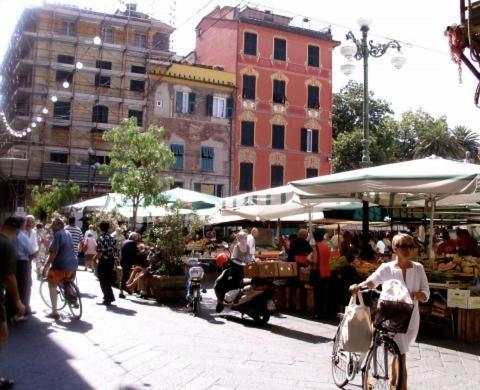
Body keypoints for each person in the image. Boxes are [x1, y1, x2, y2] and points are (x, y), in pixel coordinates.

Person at [350, 233, 430, 390]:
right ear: (395, 248)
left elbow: (426, 292)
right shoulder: (387, 268)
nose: (407, 250)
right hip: (388, 313)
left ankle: (395, 382)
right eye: (403, 246)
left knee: (401, 350)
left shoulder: (418, 268)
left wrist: (419, 295)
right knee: (399, 352)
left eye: (410, 246)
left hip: (410, 316)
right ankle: (397, 385)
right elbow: (373, 281)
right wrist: (359, 286)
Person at [0, 217, 26, 389]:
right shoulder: (6, 246)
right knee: (1, 334)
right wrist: (18, 301)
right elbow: (9, 276)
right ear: (18, 231)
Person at [42, 217, 78, 319]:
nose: (52, 226)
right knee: (67, 280)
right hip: (73, 263)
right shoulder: (68, 233)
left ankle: (54, 312)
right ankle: (73, 297)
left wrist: (46, 266)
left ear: (58, 225)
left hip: (61, 265)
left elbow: (54, 253)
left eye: (53, 224)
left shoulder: (58, 234)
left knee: (52, 284)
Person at [10, 216, 36, 317]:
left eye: (31, 222)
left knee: (18, 285)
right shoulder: (21, 235)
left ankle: (19, 308)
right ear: (22, 224)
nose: (29, 224)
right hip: (22, 262)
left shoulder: (32, 232)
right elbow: (32, 251)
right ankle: (21, 310)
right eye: (27, 222)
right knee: (24, 286)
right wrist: (35, 253)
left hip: (18, 261)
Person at [92, 221, 116, 306]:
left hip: (104, 261)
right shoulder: (111, 237)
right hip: (111, 260)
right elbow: (113, 250)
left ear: (100, 228)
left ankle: (107, 298)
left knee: (102, 280)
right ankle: (110, 297)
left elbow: (100, 251)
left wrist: (94, 259)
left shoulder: (101, 238)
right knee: (108, 279)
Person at [310, 229, 331, 319]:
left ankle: (317, 313)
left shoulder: (315, 247)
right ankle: (324, 312)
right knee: (324, 293)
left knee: (317, 294)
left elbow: (315, 260)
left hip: (318, 272)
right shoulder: (326, 246)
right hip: (326, 271)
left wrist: (308, 260)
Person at [119, 232, 140, 298]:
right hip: (127, 262)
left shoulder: (125, 241)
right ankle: (121, 292)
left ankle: (127, 289)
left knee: (126, 275)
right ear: (135, 238)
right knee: (125, 276)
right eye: (137, 238)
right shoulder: (132, 243)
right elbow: (137, 253)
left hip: (123, 261)